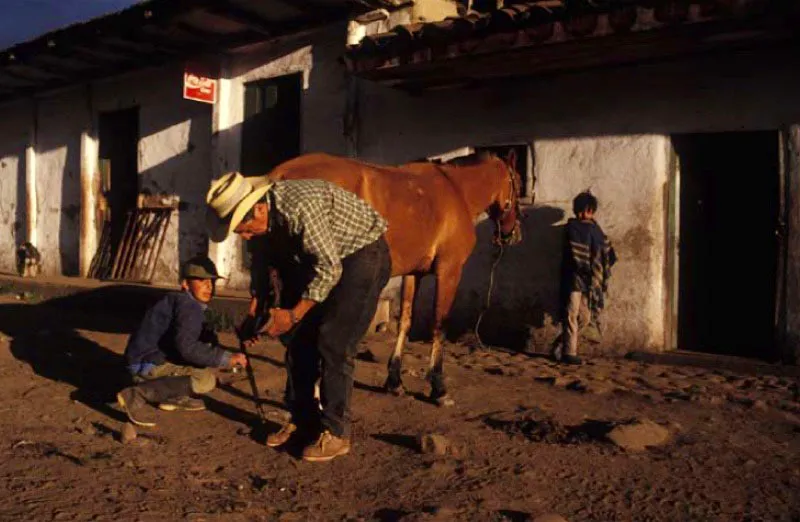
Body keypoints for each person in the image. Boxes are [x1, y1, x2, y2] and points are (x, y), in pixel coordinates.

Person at [206, 172, 391, 462]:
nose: (243, 237)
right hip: (319, 259)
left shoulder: (301, 206)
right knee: (298, 339)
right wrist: (255, 312)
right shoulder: (259, 223)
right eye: (239, 232)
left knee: (334, 341)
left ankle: (336, 433)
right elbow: (262, 263)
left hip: (361, 256)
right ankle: (303, 419)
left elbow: (328, 269)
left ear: (259, 208)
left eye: (244, 229)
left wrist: (292, 314)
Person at [117, 256, 247, 427]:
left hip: (139, 358)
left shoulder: (178, 300)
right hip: (146, 364)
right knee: (205, 379)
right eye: (201, 281)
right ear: (185, 284)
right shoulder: (189, 307)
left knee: (201, 361)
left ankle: (172, 397)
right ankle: (137, 395)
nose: (209, 286)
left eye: (211, 282)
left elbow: (194, 335)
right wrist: (227, 358)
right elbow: (187, 348)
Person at [554, 191, 617, 365]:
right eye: (580, 211)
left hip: (589, 280)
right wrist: (583, 267)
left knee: (585, 318)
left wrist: (600, 269)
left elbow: (607, 252)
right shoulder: (571, 229)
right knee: (571, 314)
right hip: (573, 277)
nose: (584, 215)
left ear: (593, 211)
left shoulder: (596, 229)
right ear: (575, 211)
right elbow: (573, 256)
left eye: (588, 211)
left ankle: (560, 344)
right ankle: (569, 352)